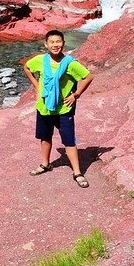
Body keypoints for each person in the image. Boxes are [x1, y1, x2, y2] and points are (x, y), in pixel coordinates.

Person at [22, 29, 93, 188]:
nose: (55, 45)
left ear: (63, 44)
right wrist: (36, 86)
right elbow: (27, 67)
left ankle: (77, 173)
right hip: (45, 107)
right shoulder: (40, 60)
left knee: (69, 140)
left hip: (63, 109)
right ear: (46, 44)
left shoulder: (70, 63)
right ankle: (45, 164)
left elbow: (88, 77)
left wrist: (76, 94)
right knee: (45, 137)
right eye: (52, 42)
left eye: (58, 42)